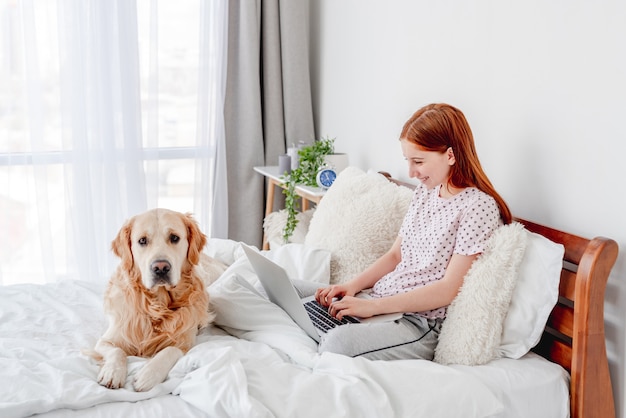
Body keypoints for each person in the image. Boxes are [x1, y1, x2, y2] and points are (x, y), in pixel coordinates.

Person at [300, 103, 512, 361]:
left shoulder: (477, 206)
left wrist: (373, 308)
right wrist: (351, 287)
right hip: (380, 301)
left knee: (337, 344)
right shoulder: (425, 192)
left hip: (417, 321)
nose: (411, 172)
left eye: (419, 161)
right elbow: (394, 256)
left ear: (451, 155)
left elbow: (448, 289)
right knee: (284, 290)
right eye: (408, 161)